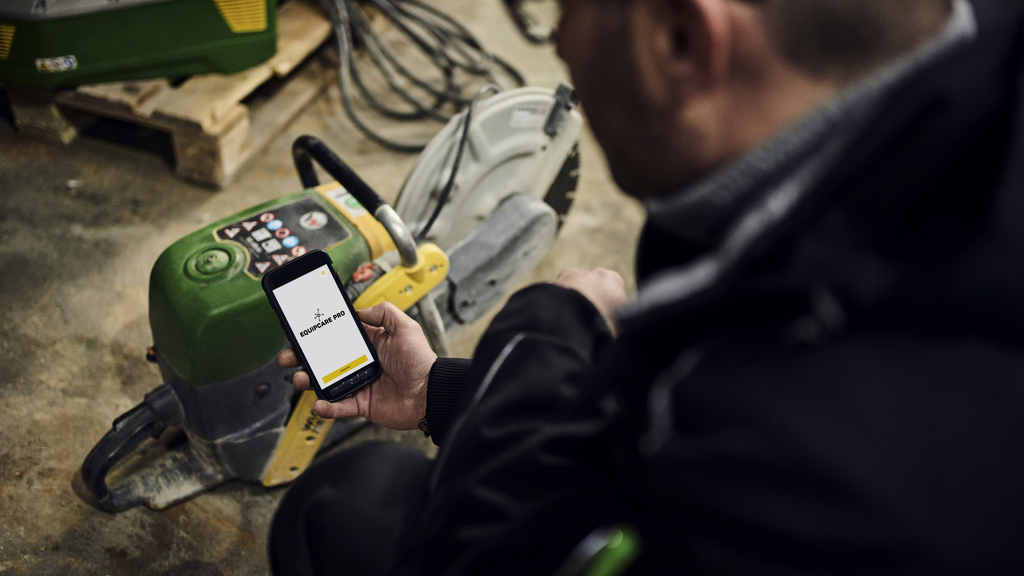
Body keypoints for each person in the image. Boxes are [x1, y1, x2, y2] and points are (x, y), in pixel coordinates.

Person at [271, 0, 1024, 573]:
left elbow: (486, 553)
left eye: (562, 12)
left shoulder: (802, 460)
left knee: (341, 506)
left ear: (683, 40)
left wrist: (544, 334)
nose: (561, 44)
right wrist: (445, 391)